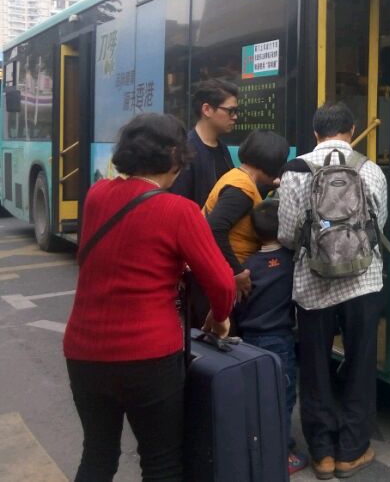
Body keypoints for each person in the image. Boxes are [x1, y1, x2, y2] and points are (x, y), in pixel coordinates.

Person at [63, 113, 236, 482]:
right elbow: (223, 283)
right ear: (175, 158)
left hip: (83, 351)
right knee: (161, 462)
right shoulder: (179, 210)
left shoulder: (96, 195)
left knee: (97, 453)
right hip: (149, 358)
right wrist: (220, 317)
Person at [278, 102, 388, 480]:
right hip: (363, 282)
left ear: (315, 133)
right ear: (352, 130)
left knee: (315, 368)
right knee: (360, 365)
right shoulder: (369, 169)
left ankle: (322, 454)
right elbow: (378, 225)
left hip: (313, 286)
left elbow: (287, 234)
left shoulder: (295, 171)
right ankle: (352, 452)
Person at [233, 199, 308, 475]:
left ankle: (257, 449)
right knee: (282, 398)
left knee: (257, 398)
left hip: (250, 341)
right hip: (279, 341)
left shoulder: (247, 267)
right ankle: (281, 455)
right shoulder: (291, 261)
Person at [170, 79, 239, 327]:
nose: (235, 117)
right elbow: (179, 210)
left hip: (219, 251)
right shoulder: (187, 152)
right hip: (197, 259)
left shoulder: (222, 149)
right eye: (230, 111)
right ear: (207, 109)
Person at [205, 129, 290, 301]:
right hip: (225, 276)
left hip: (219, 271)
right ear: (273, 163)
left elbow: (250, 196)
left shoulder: (237, 176)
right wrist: (237, 272)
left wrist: (273, 184)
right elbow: (214, 228)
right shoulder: (241, 191)